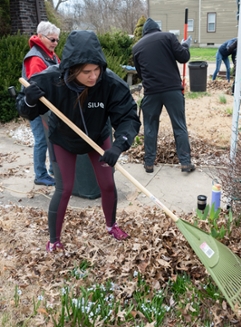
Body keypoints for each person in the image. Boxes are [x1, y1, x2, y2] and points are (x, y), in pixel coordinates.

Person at [17, 30, 141, 251]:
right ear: (72, 70)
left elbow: (129, 117)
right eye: (86, 72)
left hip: (97, 137)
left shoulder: (109, 82)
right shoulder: (50, 79)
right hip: (63, 138)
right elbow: (26, 110)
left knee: (107, 183)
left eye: (97, 70)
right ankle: (54, 240)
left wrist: (119, 144)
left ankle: (111, 225)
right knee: (64, 189)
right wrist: (29, 100)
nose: (93, 77)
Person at [132, 18, 195, 174]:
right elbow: (183, 57)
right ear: (157, 29)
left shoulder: (137, 47)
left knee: (150, 127)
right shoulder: (168, 37)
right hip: (172, 89)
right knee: (179, 125)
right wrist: (185, 45)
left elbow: (140, 73)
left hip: (151, 92)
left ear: (144, 32)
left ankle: (148, 163)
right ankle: (185, 163)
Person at [22, 21, 61, 186]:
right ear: (40, 37)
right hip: (37, 107)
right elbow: (39, 86)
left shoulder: (50, 55)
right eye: (52, 40)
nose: (55, 43)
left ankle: (54, 168)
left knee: (51, 137)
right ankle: (40, 174)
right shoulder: (35, 58)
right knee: (41, 140)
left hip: (49, 106)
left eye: (57, 40)